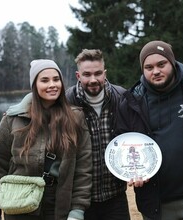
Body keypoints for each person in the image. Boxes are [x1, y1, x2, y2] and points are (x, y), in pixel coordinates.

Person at [115, 40, 183, 220]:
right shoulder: (131, 103)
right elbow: (122, 145)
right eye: (149, 67)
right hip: (157, 205)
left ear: (173, 62)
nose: (156, 71)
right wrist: (132, 172)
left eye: (161, 64)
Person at [0, 59, 92, 220]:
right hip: (19, 204)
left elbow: (83, 169)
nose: (52, 84)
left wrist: (77, 210)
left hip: (59, 204)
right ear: (34, 85)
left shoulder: (76, 118)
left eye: (56, 79)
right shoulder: (12, 119)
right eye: (44, 80)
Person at [65, 49, 130, 220]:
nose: (93, 80)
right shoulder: (66, 102)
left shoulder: (122, 97)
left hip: (115, 196)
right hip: (79, 200)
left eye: (98, 73)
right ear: (78, 76)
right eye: (87, 74)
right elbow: (39, 109)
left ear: (105, 73)